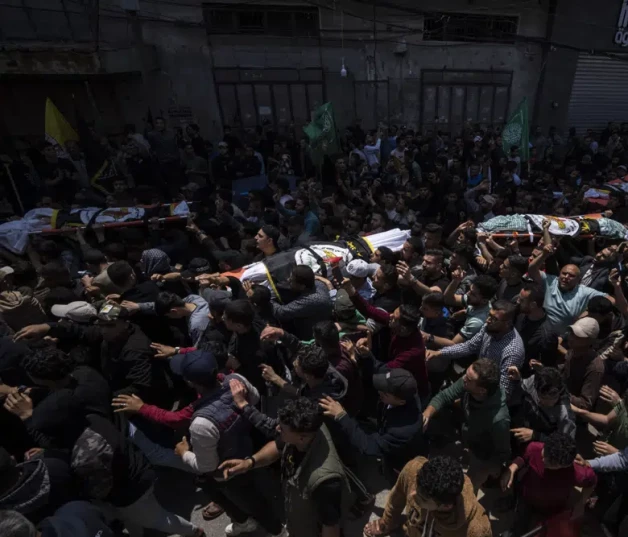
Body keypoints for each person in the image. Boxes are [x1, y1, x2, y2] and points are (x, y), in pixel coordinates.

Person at [164, 348, 282, 536]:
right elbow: (255, 398)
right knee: (259, 493)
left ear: (189, 382)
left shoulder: (201, 424)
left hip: (230, 472)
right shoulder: (237, 381)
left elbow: (207, 466)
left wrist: (184, 453)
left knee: (253, 503)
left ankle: (275, 531)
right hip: (251, 448)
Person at [219, 398, 350, 537]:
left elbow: (330, 526)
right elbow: (279, 446)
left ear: (301, 438)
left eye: (282, 429)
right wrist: (249, 463)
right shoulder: (307, 430)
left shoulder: (325, 481)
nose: (277, 428)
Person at [423, 359, 511, 492]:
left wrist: (492, 468)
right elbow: (445, 396)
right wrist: (427, 414)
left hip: (483, 456)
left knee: (467, 491)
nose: (463, 378)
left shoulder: (499, 419)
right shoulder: (468, 383)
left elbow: (502, 450)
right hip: (469, 437)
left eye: (469, 379)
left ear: (481, 390)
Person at [319, 368, 426, 475]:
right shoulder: (407, 390)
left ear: (401, 402)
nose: (379, 392)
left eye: (385, 393)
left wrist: (342, 416)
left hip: (400, 463)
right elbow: (379, 366)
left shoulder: (401, 431)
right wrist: (366, 357)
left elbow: (369, 446)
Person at [363, 455, 492, 537]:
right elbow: (396, 498)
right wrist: (387, 522)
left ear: (446, 506)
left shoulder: (476, 529)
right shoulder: (413, 469)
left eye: (423, 498)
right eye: (416, 486)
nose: (413, 494)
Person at [343, 279, 429, 402]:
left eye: (394, 317)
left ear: (403, 328)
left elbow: (384, 369)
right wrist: (350, 289)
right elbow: (370, 310)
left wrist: (365, 355)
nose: (390, 316)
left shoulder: (413, 351)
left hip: (410, 391)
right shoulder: (395, 323)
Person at [501, 432, 597, 536]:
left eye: (551, 462)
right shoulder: (534, 448)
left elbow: (592, 482)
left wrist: (580, 504)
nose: (543, 460)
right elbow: (523, 457)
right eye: (544, 453)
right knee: (519, 522)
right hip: (526, 498)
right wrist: (512, 468)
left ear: (565, 465)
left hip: (551, 509)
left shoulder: (577, 473)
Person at [426, 300, 524, 399]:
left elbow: (504, 391)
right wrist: (440, 352)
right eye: (489, 315)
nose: (488, 320)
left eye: (494, 319)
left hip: (487, 396)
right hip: (475, 379)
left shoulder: (512, 351)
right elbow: (469, 346)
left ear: (507, 323)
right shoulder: (488, 328)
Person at [528, 244, 614, 332]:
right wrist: (544, 255)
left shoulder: (584, 292)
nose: (566, 277)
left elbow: (611, 300)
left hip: (560, 339)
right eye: (564, 273)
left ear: (578, 280)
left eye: (571, 276)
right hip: (538, 331)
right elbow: (532, 270)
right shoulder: (551, 281)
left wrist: (589, 313)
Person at [508, 365, 576, 444]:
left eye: (553, 397)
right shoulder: (533, 382)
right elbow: (523, 387)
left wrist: (536, 436)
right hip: (526, 424)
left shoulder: (565, 415)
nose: (548, 402)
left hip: (544, 442)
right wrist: (518, 379)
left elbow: (564, 444)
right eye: (543, 397)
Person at [270, 265, 333, 341]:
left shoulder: (311, 300)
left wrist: (270, 299)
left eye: (292, 280)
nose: (288, 280)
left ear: (302, 286)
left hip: (312, 338)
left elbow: (281, 312)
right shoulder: (318, 284)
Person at [562, 317, 605, 410]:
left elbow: (585, 404)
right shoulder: (573, 351)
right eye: (571, 333)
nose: (571, 338)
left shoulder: (595, 368)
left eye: (577, 336)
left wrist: (560, 393)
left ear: (590, 340)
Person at [514, 282, 560, 369]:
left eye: (521, 300)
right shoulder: (521, 314)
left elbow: (549, 367)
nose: (517, 302)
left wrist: (540, 366)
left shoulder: (547, 335)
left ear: (533, 305)